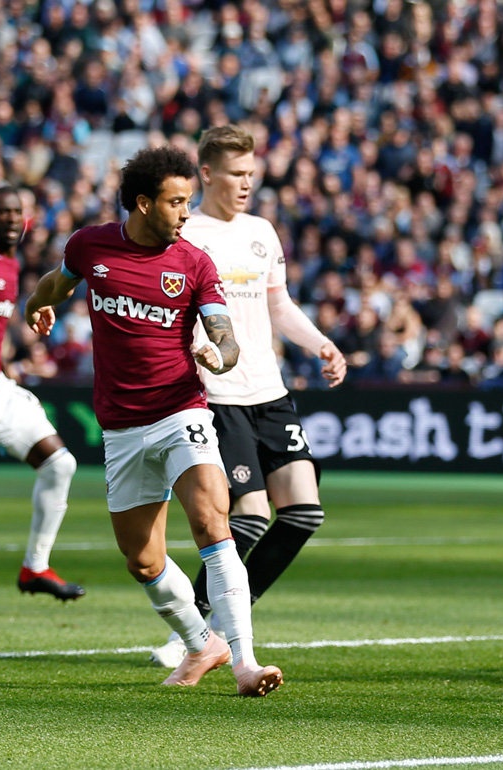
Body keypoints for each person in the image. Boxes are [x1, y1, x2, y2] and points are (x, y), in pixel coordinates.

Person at [23, 147, 283, 696]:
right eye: (176, 202)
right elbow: (58, 281)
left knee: (214, 522)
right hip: (120, 428)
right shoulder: (91, 245)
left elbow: (225, 334)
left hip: (181, 410)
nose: (186, 212)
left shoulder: (193, 262)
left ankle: (244, 662)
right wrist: (36, 304)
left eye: (188, 200)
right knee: (142, 561)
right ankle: (200, 644)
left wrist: (221, 354)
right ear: (144, 203)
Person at [149, 125, 347, 668]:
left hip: (271, 391)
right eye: (236, 174)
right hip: (218, 393)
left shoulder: (262, 231)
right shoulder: (189, 234)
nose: (245, 185)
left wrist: (322, 343)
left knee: (304, 513)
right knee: (251, 517)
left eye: (251, 175)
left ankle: (225, 618)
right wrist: (196, 348)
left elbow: (278, 305)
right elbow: (175, 308)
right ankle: (190, 632)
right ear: (207, 173)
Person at [0, 186, 83, 601]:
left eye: (17, 212)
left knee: (60, 464)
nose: (12, 219)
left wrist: (0, 363)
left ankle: (35, 567)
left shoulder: (10, 264)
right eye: (3, 212)